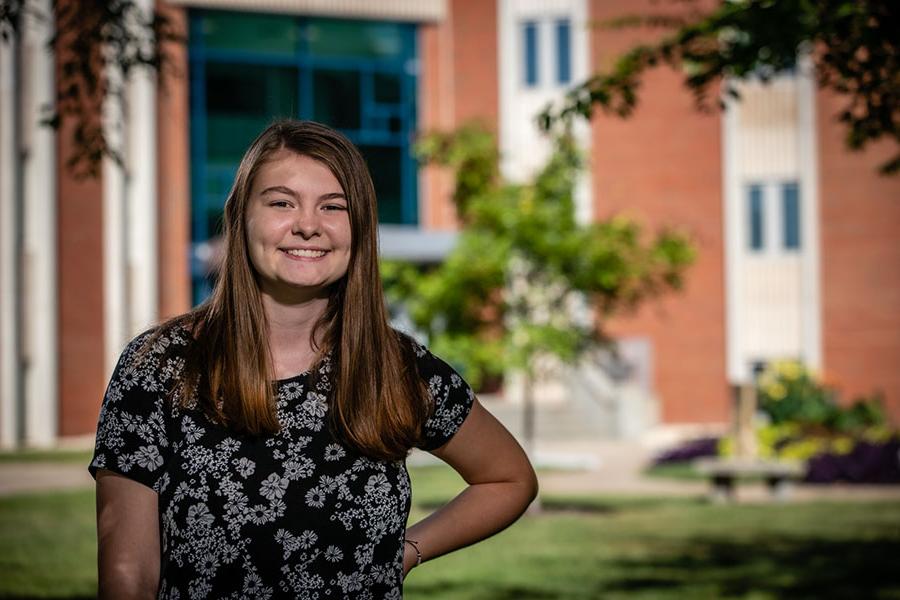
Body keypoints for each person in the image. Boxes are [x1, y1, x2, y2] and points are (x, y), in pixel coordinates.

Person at [89, 119, 538, 599]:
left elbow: (508, 478)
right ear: (242, 216)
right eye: (281, 202)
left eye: (333, 207)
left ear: (359, 226)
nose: (307, 224)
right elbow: (127, 573)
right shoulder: (160, 367)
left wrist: (404, 552)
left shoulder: (397, 367)